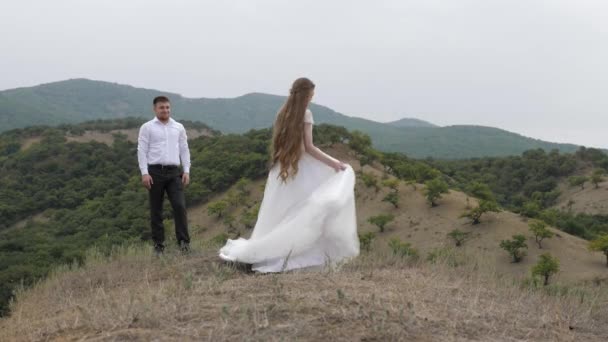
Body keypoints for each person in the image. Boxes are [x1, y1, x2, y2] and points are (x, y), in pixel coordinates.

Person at [219, 77, 359, 272]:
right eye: (311, 94)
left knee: (281, 213)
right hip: (302, 168)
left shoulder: (282, 113)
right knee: (309, 211)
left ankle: (271, 251)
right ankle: (302, 253)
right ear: (306, 95)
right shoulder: (306, 113)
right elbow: (309, 147)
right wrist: (334, 163)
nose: (312, 97)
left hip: (283, 167)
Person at [137, 96, 191, 255]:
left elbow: (184, 149)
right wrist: (144, 173)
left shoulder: (178, 127)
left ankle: (184, 244)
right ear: (155, 109)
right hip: (154, 172)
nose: (165, 110)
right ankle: (159, 247)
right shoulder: (147, 127)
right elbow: (141, 150)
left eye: (167, 107)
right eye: (162, 107)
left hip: (174, 172)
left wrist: (186, 170)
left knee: (179, 206)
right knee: (156, 210)